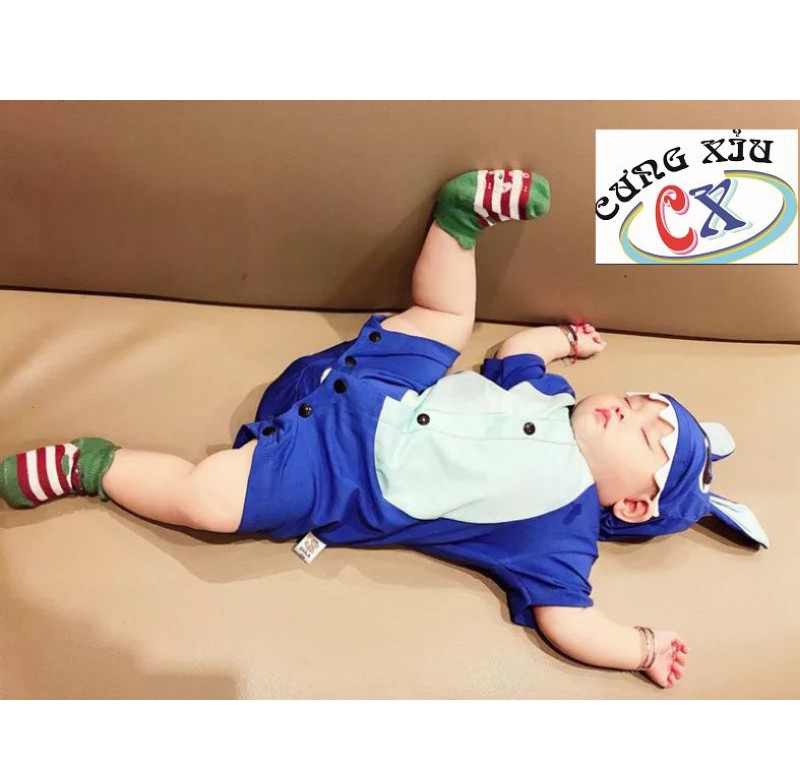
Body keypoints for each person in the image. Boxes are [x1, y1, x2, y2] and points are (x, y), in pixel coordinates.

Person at [0, 168, 769, 690]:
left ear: (632, 503)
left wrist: (639, 647)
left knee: (208, 500)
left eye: (646, 435)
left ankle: (91, 466)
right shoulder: (549, 395)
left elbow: (573, 621)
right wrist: (564, 340)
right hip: (386, 380)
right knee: (446, 319)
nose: (628, 410)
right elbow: (513, 351)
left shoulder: (558, 535)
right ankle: (460, 219)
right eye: (637, 400)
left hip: (336, 471)